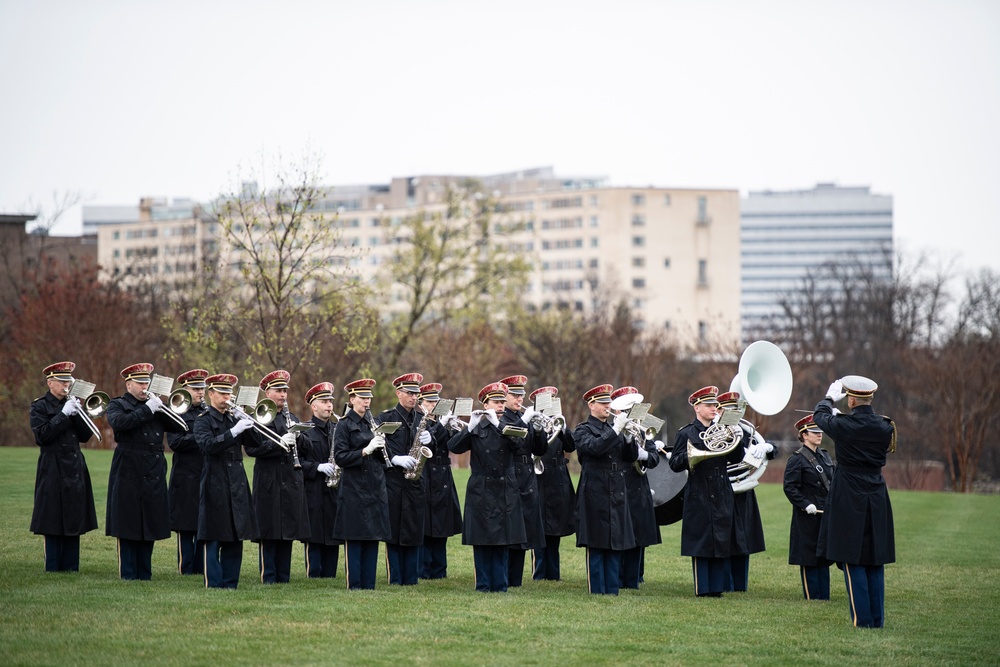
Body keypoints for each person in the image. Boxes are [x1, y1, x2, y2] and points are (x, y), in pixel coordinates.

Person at [814, 375, 896, 628]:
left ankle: (862, 619)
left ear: (850, 400)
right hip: (877, 492)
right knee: (874, 557)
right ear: (870, 398)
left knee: (852, 557)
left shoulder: (844, 425)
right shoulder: (886, 426)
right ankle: (877, 620)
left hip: (849, 492)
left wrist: (828, 398)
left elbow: (819, 417)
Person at [105, 363, 186, 580]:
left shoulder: (154, 405)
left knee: (149, 518)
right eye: (140, 383)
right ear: (129, 384)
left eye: (146, 382)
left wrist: (162, 407)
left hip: (153, 465)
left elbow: (180, 426)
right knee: (127, 518)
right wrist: (148, 409)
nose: (144, 387)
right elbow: (120, 423)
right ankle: (128, 573)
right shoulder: (118, 404)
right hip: (128, 464)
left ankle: (145, 572)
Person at [447, 382, 526, 593]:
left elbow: (520, 447)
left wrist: (499, 426)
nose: (500, 406)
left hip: (504, 486)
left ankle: (500, 585)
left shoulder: (510, 425)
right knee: (481, 539)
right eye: (495, 402)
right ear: (485, 404)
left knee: (502, 539)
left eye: (502, 402)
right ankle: (482, 584)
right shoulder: (476, 427)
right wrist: (470, 427)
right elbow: (453, 447)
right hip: (481, 486)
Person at [668, 385, 746, 597]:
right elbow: (674, 463)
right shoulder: (686, 433)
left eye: (715, 405)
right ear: (696, 407)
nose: (714, 409)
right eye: (709, 405)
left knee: (721, 539)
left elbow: (736, 458)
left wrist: (738, 438)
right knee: (702, 542)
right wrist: (694, 453)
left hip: (721, 491)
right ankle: (702, 588)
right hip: (699, 492)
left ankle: (717, 589)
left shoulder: (723, 429)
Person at [29, 361, 99, 572]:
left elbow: (86, 436)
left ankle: (71, 566)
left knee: (73, 512)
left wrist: (77, 412)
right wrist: (63, 415)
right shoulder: (40, 406)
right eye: (61, 381)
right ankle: (52, 565)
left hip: (74, 464)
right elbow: (42, 436)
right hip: (52, 464)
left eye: (68, 381)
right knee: (52, 514)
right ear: (50, 382)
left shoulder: (72, 403)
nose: (66, 385)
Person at [244, 369, 311, 584]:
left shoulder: (291, 417)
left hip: (290, 480)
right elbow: (252, 449)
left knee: (287, 531)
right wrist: (280, 442)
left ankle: (284, 576)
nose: (283, 395)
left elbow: (308, 447)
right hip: (269, 480)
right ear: (267, 392)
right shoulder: (259, 415)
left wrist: (298, 437)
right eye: (278, 390)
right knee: (269, 529)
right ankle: (268, 576)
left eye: (284, 390)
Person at [574, 384, 640, 595]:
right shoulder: (583, 429)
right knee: (596, 541)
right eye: (602, 403)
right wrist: (617, 429)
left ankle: (612, 589)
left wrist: (629, 438)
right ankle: (597, 588)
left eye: (608, 402)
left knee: (615, 540)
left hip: (616, 486)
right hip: (595, 488)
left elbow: (629, 458)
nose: (606, 406)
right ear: (591, 405)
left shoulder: (616, 428)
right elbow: (594, 448)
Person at [193, 373, 258, 589]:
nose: (227, 397)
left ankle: (231, 582)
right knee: (213, 533)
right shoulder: (203, 420)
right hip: (215, 477)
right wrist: (233, 432)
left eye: (229, 392)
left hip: (236, 478)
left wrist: (249, 423)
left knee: (235, 532)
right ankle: (214, 581)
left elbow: (254, 444)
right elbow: (208, 446)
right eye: (222, 393)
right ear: (210, 394)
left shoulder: (234, 417)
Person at [333, 378, 391, 590]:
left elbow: (384, 457)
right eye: (363, 398)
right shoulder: (344, 425)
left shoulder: (372, 422)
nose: (367, 402)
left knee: (372, 537)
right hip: (354, 488)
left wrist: (383, 445)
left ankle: (369, 585)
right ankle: (354, 585)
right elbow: (340, 457)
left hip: (373, 486)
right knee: (355, 538)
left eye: (368, 398)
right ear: (352, 399)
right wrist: (364, 451)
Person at [717, 390, 773, 592]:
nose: (734, 412)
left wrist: (767, 447)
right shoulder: (714, 430)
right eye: (729, 408)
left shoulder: (746, 429)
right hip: (722, 490)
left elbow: (770, 449)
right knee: (725, 538)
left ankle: (741, 584)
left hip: (744, 488)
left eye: (736, 408)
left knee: (744, 538)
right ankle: (726, 583)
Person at [378, 373, 428, 586]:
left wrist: (431, 438)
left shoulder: (421, 418)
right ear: (398, 393)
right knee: (395, 531)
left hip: (415, 481)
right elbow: (378, 443)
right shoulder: (386, 417)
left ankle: (411, 577)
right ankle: (395, 576)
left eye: (416, 393)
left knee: (414, 529)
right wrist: (395, 458)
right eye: (409, 393)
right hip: (394, 480)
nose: (414, 397)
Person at [498, 374, 548, 587]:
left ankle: (516, 580)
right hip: (510, 476)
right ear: (505, 395)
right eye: (515, 395)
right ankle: (506, 578)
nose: (520, 400)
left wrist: (538, 431)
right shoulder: (502, 418)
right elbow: (513, 443)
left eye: (522, 395)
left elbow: (540, 450)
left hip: (527, 477)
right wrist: (525, 421)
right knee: (510, 529)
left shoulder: (523, 416)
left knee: (524, 530)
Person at [612, 386, 661, 590]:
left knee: (639, 534)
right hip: (619, 485)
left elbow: (655, 458)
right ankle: (618, 577)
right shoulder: (612, 427)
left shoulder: (644, 426)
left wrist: (645, 455)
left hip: (639, 486)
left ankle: (634, 579)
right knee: (619, 533)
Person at [783, 414, 834, 600]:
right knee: (809, 555)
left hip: (824, 513)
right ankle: (813, 596)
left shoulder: (825, 456)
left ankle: (824, 596)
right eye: (814, 432)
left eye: (820, 431)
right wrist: (805, 504)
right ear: (804, 435)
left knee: (823, 555)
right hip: (807, 516)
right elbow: (789, 487)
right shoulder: (797, 459)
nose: (819, 435)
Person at [528, 386, 577, 582]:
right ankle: (539, 573)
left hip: (558, 479)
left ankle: (554, 573)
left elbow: (571, 446)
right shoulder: (532, 423)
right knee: (539, 526)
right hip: (539, 477)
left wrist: (563, 428)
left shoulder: (557, 422)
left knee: (556, 527)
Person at [417, 382, 462, 580]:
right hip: (426, 473)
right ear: (421, 403)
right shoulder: (419, 421)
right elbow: (424, 441)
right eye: (429, 401)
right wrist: (441, 426)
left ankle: (439, 569)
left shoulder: (441, 421)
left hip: (443, 474)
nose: (433, 405)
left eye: (436, 401)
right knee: (426, 524)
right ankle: (424, 569)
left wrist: (453, 426)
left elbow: (455, 444)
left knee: (442, 524)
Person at [298, 381, 343, 578]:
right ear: (313, 406)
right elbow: (298, 462)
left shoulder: (337, 429)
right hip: (314, 490)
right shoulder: (304, 430)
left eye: (330, 402)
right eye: (324, 401)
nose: (329, 406)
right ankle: (313, 575)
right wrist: (317, 467)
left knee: (333, 535)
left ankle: (331, 575)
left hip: (334, 491)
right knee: (314, 536)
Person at [166, 368, 208, 575]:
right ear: (185, 389)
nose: (201, 392)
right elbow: (175, 442)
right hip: (185, 474)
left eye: (202, 388)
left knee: (203, 522)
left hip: (205, 472)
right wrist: (201, 437)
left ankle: (201, 567)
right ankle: (186, 567)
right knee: (186, 525)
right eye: (196, 388)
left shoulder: (209, 411)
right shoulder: (177, 411)